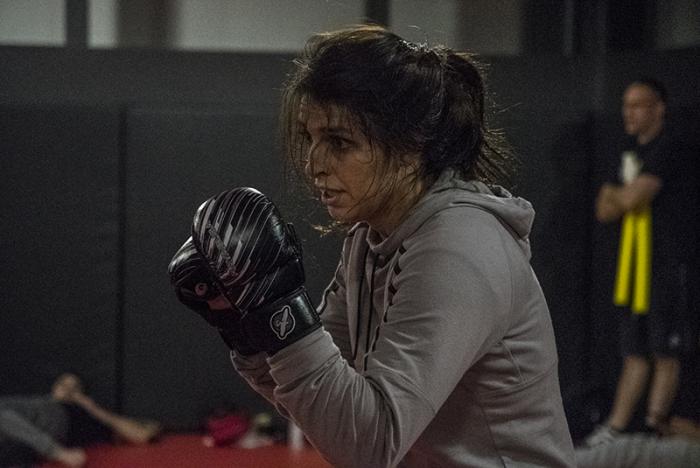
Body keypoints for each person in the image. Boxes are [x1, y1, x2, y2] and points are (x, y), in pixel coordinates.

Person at [169, 25, 576, 467]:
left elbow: (369, 445)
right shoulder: (369, 238)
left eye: (339, 142)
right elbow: (328, 409)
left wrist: (276, 309)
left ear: (410, 148)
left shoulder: (459, 245)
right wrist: (245, 326)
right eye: (311, 139)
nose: (314, 164)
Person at [588, 78, 699, 446]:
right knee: (634, 349)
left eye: (638, 105)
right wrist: (625, 196)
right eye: (625, 105)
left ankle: (656, 424)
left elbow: (635, 197)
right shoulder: (626, 151)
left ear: (659, 108)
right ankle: (616, 427)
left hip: (666, 264)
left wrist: (624, 195)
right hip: (632, 269)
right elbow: (604, 209)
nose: (629, 113)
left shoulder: (672, 147)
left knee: (665, 349)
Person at [0, 373, 161, 467]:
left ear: (81, 394)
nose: (66, 389)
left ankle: (55, 451)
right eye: (62, 384)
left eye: (73, 387)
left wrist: (92, 408)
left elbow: (143, 434)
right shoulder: (37, 402)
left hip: (34, 435)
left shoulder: (82, 414)